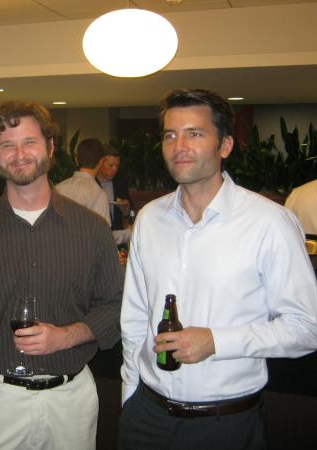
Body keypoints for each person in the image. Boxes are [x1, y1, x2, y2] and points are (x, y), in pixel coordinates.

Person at [119, 88, 317, 450]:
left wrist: (217, 341)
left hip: (224, 425)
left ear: (225, 145)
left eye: (194, 133)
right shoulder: (149, 220)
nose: (179, 145)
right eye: (170, 134)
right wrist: (129, 397)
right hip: (145, 418)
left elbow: (306, 328)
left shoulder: (269, 223)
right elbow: (134, 318)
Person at [0, 100, 122, 450]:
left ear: (51, 147)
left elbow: (113, 307)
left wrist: (67, 336)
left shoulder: (92, 230)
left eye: (29, 142)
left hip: (71, 401)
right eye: (6, 145)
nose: (19, 153)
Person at [56, 138, 111, 225]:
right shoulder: (98, 194)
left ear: (77, 159)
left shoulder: (57, 188)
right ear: (101, 161)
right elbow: (102, 234)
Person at [96, 149, 135, 231]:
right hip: (97, 233)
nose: (114, 169)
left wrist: (126, 210)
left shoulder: (120, 182)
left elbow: (131, 211)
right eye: (111, 165)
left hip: (118, 234)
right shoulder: (92, 183)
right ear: (100, 163)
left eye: (117, 166)